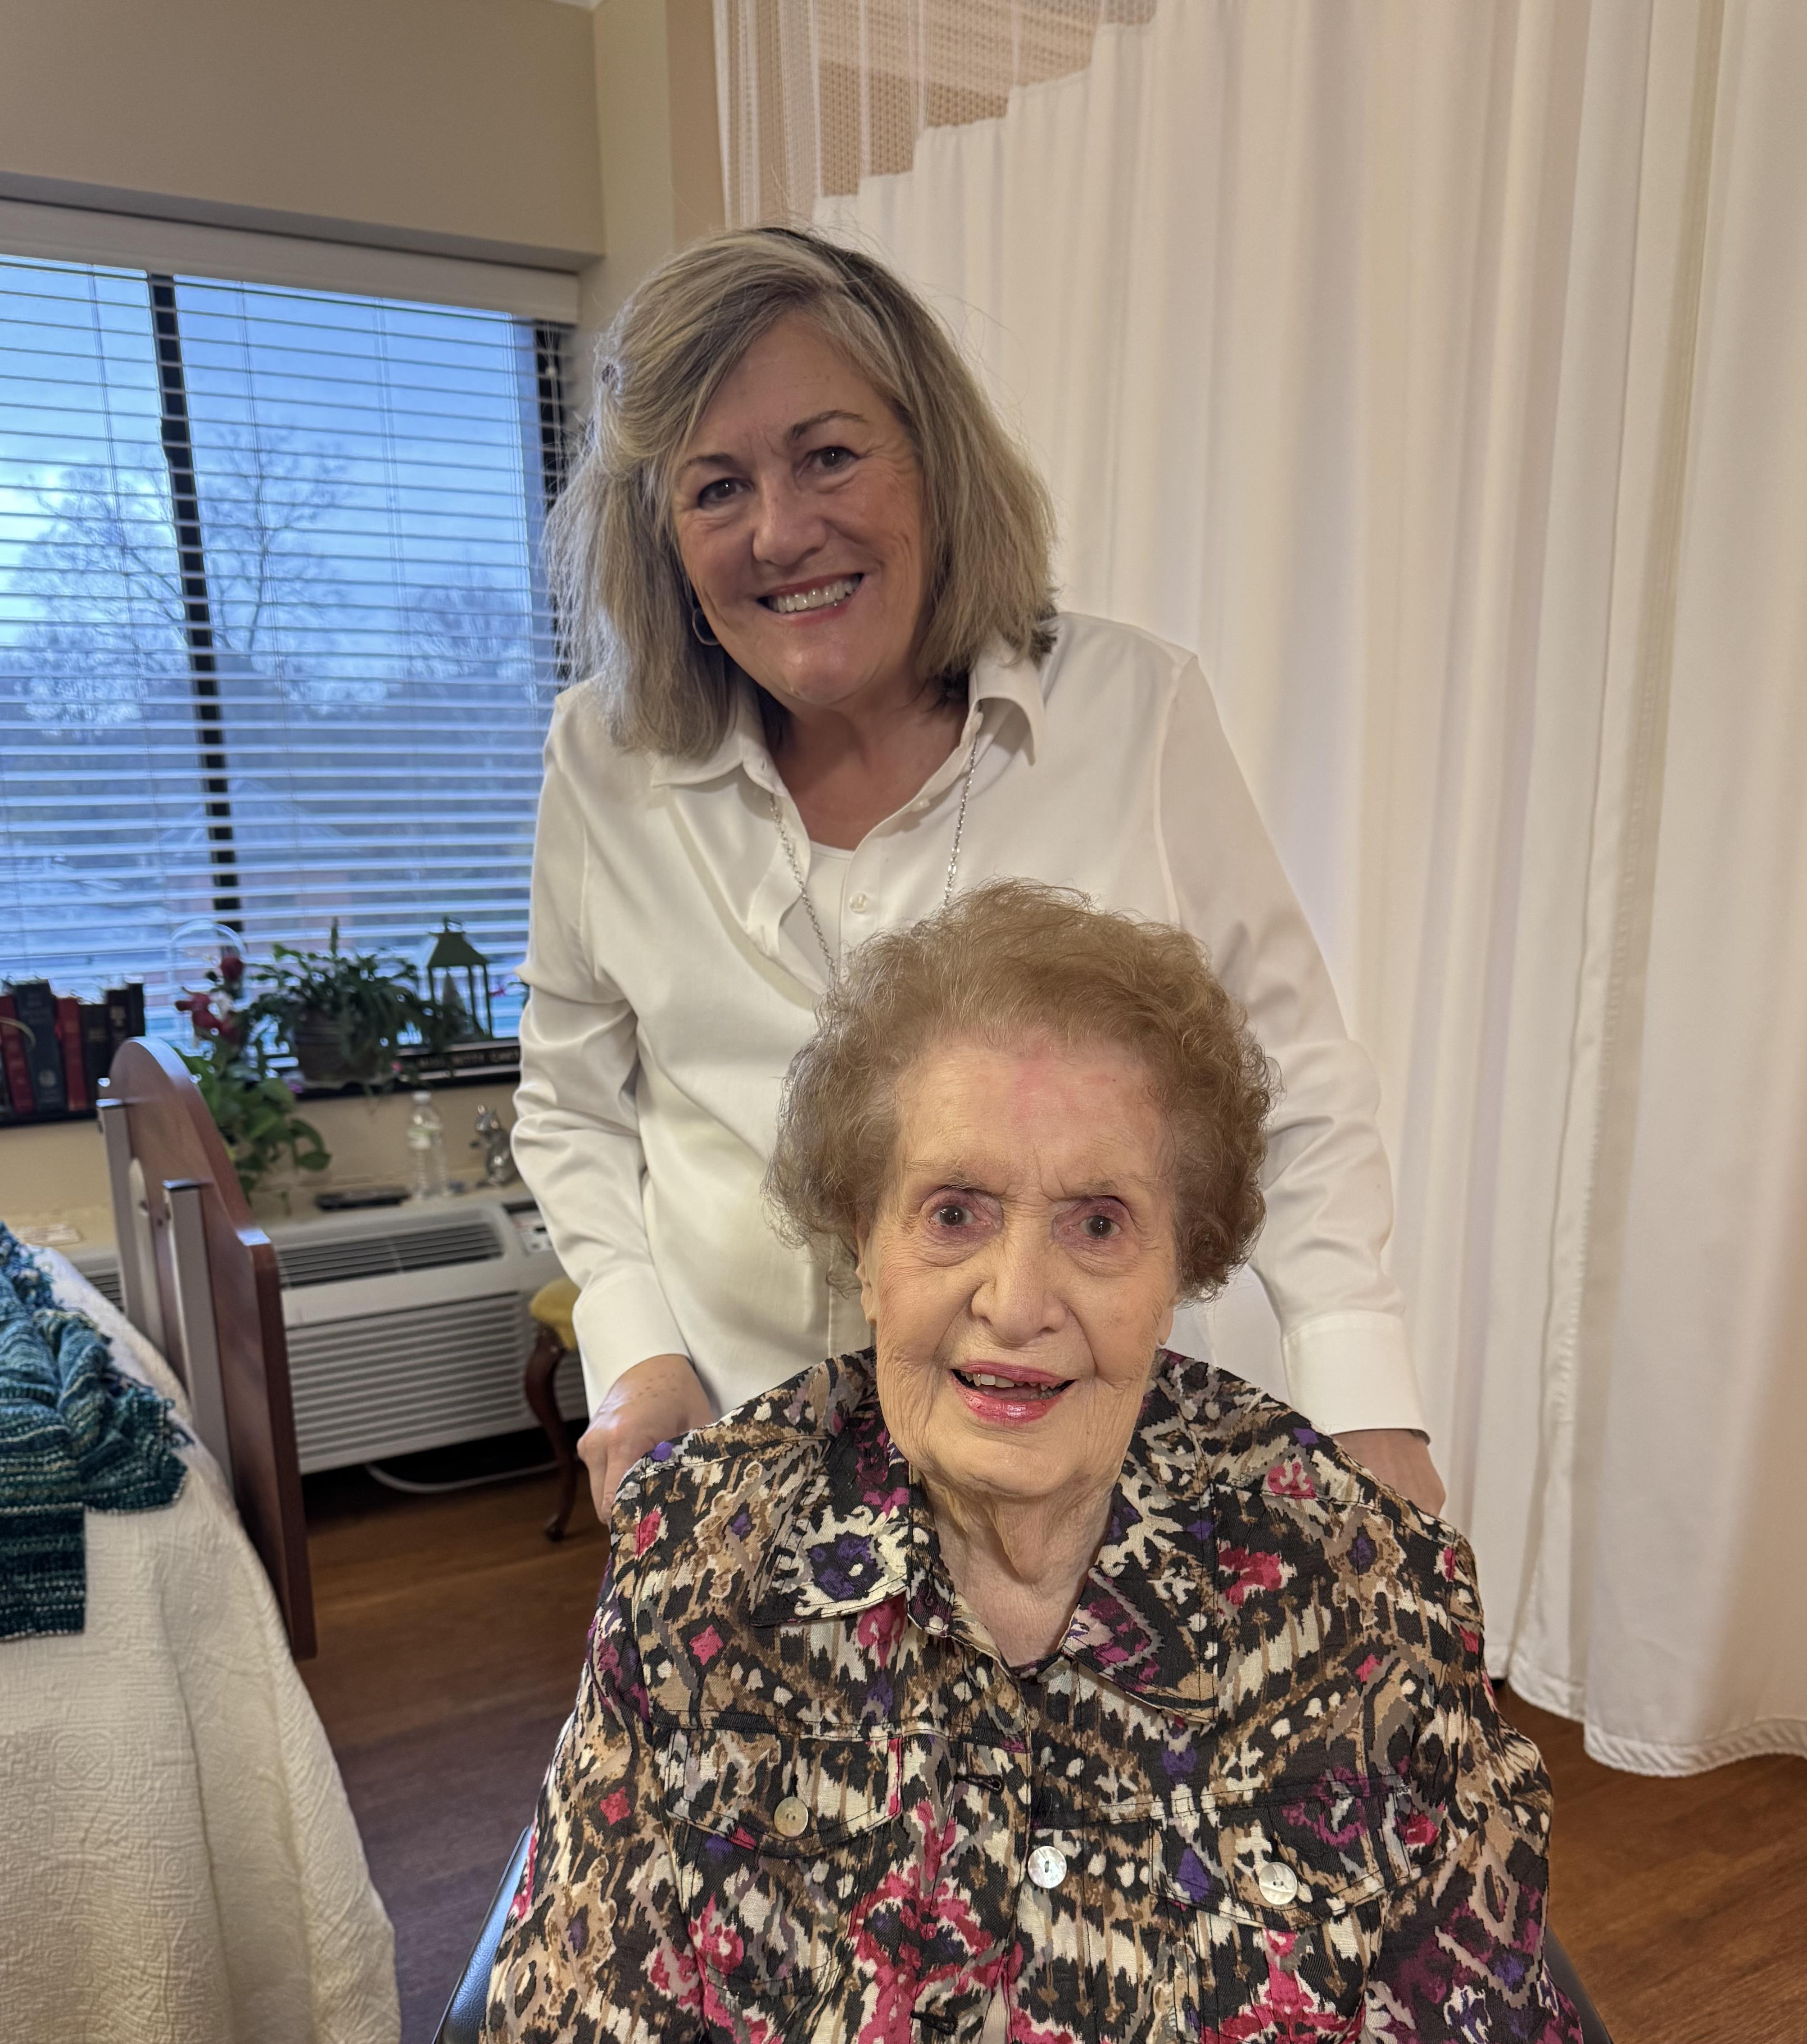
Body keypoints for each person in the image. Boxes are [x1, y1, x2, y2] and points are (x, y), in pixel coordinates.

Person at [457, 884, 1594, 2044]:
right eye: (955, 1210)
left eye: (1098, 1224)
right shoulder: (706, 1571)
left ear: (1189, 1257)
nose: (1015, 1297)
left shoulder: (1353, 1580)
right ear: (862, 1234)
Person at [511, 226, 1447, 1528]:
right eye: (714, 488)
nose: (781, 532)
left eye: (827, 455)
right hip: (753, 1460)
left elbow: (1289, 1072)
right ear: (660, 534)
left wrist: (1362, 1396)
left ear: (935, 465)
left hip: (1089, 1456)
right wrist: (635, 1355)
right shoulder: (600, 764)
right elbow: (573, 1108)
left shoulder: (1133, 711)